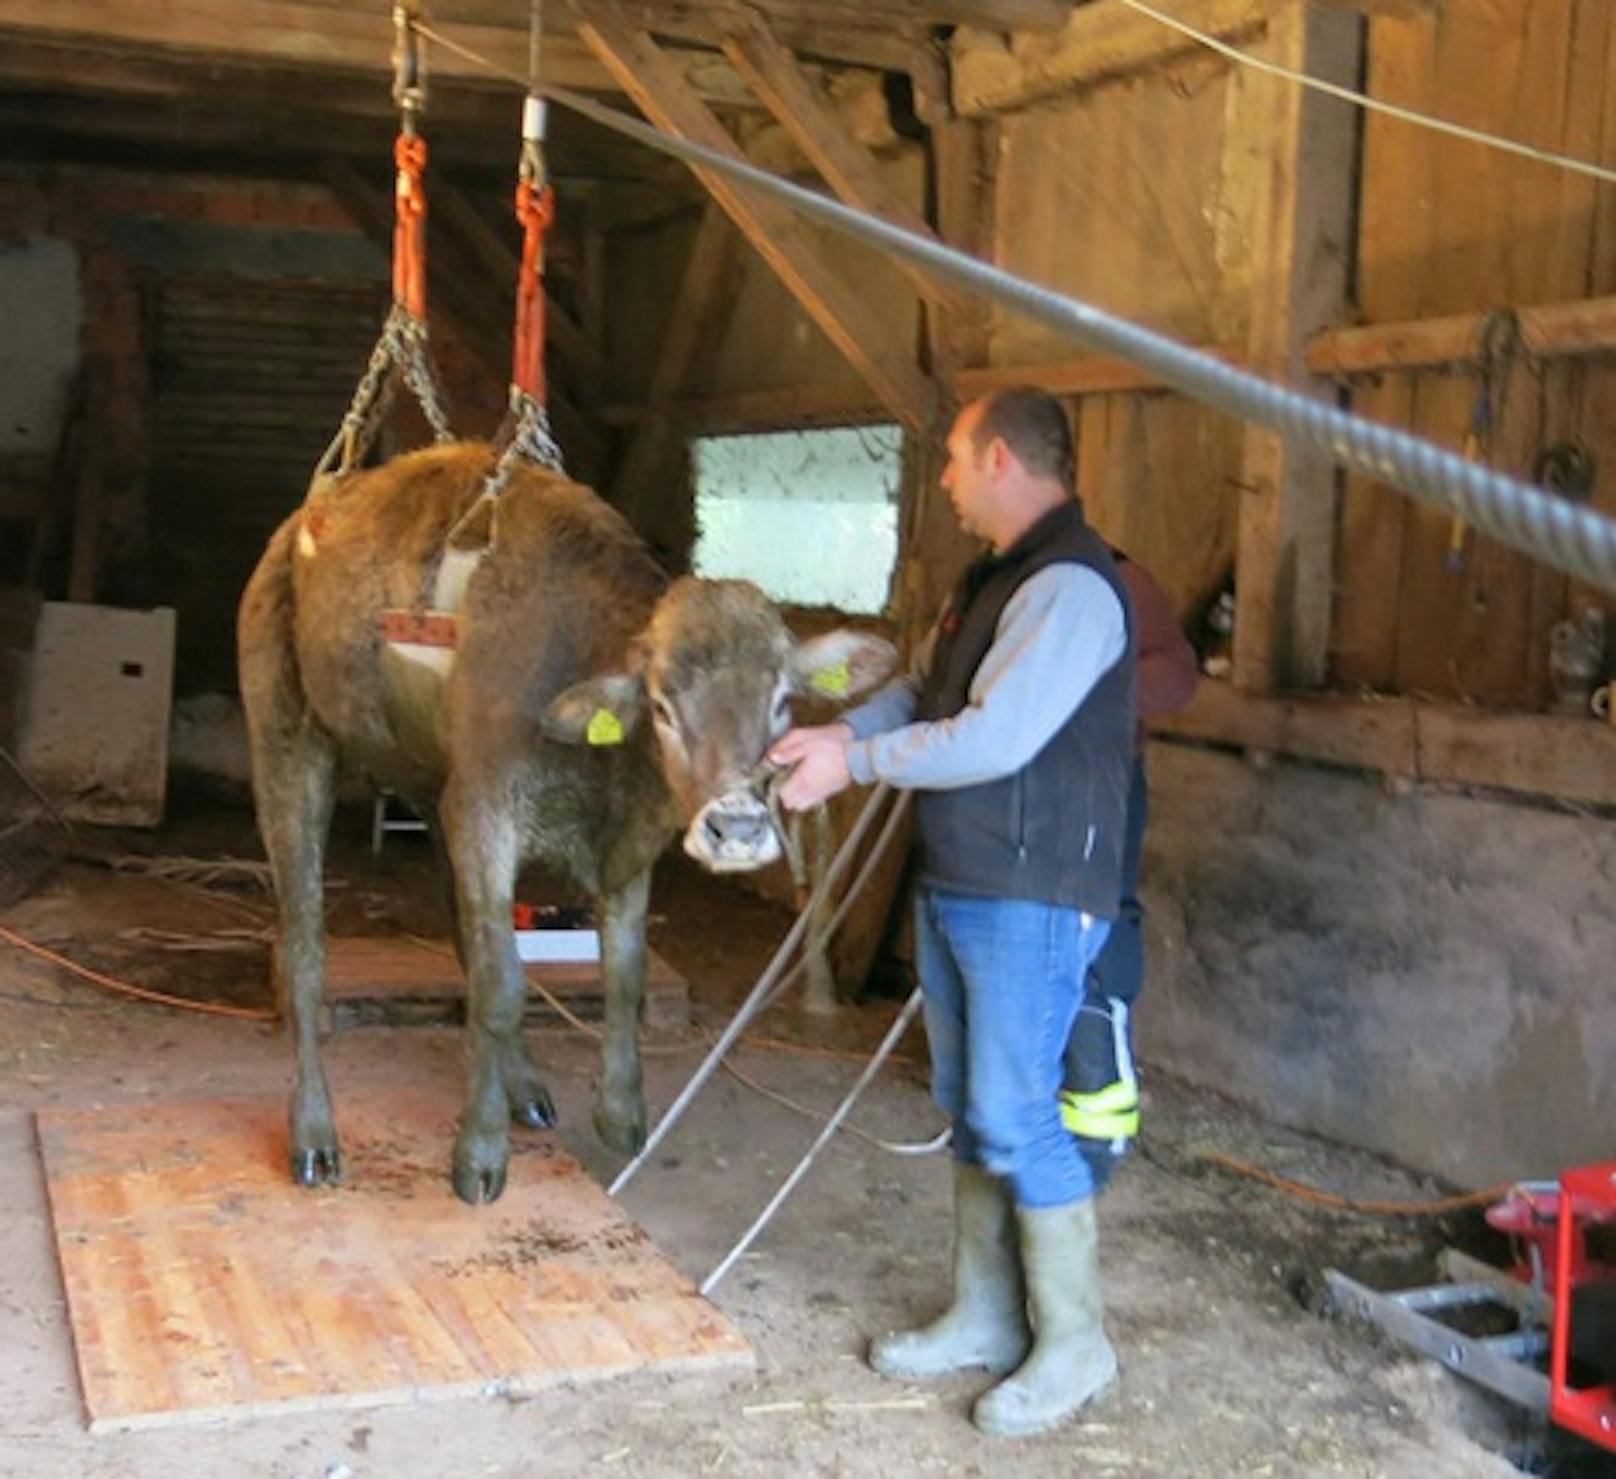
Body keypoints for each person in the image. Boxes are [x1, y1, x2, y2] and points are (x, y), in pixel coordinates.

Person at [771, 387, 1136, 1440]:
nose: (940, 479)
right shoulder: (993, 581)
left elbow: (992, 739)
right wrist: (833, 742)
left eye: (951, 460)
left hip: (1031, 888)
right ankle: (984, 1314)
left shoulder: (1069, 590)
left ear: (1000, 463)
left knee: (1018, 1113)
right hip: (970, 877)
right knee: (972, 1106)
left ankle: (1074, 1342)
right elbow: (929, 697)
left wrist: (861, 761)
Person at [1060, 553, 1199, 1191]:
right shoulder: (993, 578)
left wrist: (1086, 695)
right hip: (1013, 794)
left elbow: (1176, 675)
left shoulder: (1114, 576)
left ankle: (1099, 1121)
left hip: (1099, 782)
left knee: (1099, 926)